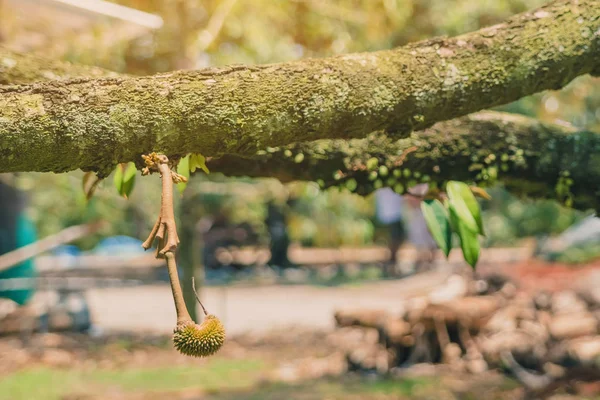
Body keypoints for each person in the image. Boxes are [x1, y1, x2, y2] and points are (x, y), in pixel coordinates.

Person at [374, 187, 406, 277]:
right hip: (391, 215)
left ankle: (391, 262)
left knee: (396, 239)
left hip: (392, 215)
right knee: (394, 239)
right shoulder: (384, 189)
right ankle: (391, 263)